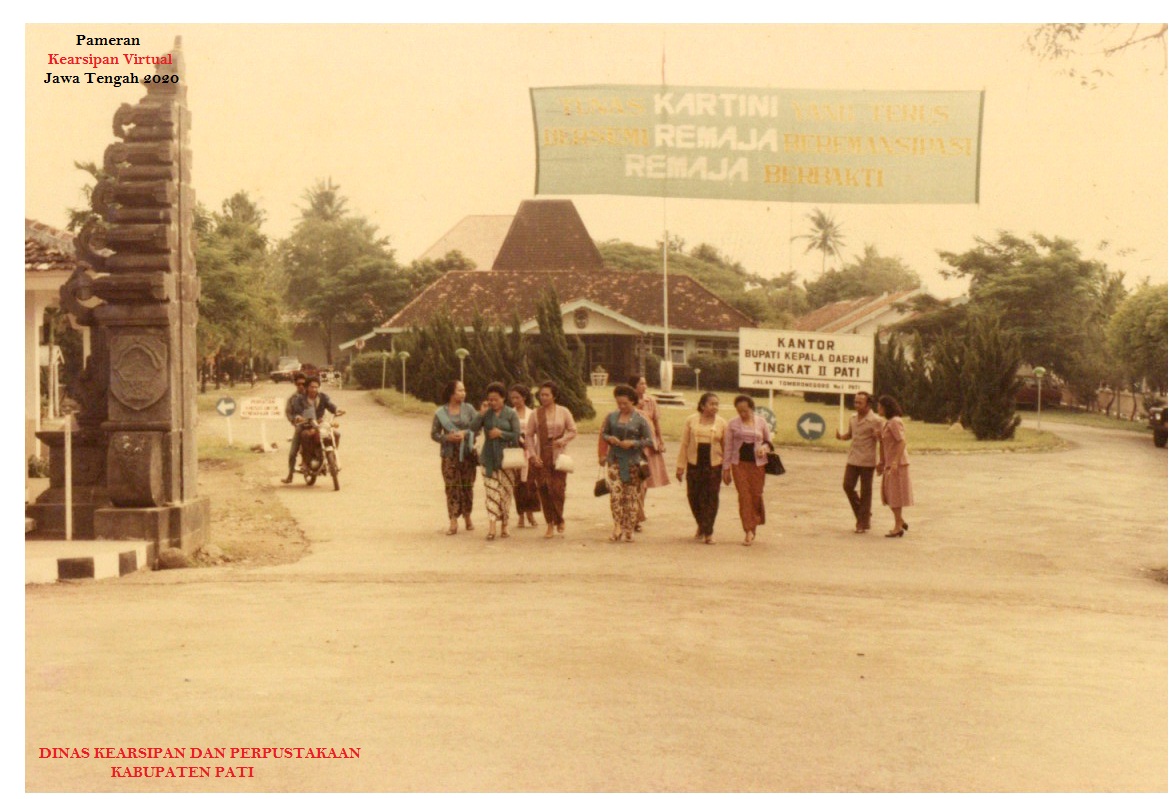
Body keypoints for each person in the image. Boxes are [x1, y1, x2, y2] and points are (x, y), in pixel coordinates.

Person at [598, 384, 655, 542]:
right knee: (616, 495)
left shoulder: (641, 420)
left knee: (630, 496)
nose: (622, 406)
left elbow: (650, 440)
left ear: (633, 402)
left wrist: (633, 443)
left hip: (632, 462)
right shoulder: (611, 417)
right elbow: (604, 433)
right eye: (619, 403)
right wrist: (610, 439)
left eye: (625, 403)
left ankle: (629, 527)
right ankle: (617, 526)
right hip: (615, 460)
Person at [525, 381, 578, 539]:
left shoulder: (563, 411)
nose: (544, 397)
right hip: (541, 454)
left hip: (558, 455)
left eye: (547, 394)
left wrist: (563, 440)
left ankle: (559, 519)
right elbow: (528, 435)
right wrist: (533, 455)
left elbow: (573, 430)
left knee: (558, 489)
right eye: (541, 395)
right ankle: (550, 524)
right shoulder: (535, 413)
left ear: (554, 395)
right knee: (544, 489)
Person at [471, 382, 521, 541]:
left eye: (495, 399)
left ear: (503, 398)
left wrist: (501, 433)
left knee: (505, 493)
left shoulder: (511, 414)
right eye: (489, 400)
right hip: (488, 459)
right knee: (491, 493)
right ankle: (492, 527)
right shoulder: (486, 414)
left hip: (506, 459)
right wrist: (481, 414)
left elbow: (516, 434)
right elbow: (473, 428)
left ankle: (504, 525)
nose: (492, 402)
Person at [675, 392, 727, 545]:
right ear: (703, 405)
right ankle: (701, 524)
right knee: (694, 496)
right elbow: (684, 444)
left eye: (717, 404)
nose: (714, 407)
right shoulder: (691, 420)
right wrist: (680, 467)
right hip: (694, 463)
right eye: (711, 404)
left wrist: (727, 468)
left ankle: (708, 532)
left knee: (711, 497)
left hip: (714, 464)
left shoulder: (722, 423)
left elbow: (726, 447)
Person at [722, 395, 772, 546]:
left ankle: (754, 522)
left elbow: (768, 442)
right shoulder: (732, 424)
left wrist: (764, 448)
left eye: (745, 411)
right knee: (744, 496)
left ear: (751, 408)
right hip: (739, 465)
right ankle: (748, 530)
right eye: (739, 411)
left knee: (756, 494)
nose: (742, 414)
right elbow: (728, 447)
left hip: (758, 465)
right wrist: (726, 469)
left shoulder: (762, 422)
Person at [431, 380, 478, 535]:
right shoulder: (440, 413)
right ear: (451, 393)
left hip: (467, 454)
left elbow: (477, 427)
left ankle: (468, 516)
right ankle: (453, 520)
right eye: (459, 390)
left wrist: (466, 434)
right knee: (451, 487)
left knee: (467, 485)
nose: (463, 393)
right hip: (449, 454)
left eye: (464, 390)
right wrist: (447, 438)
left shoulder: (469, 409)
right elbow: (434, 434)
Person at [835, 391, 884, 534]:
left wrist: (881, 461)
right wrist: (841, 437)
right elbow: (851, 434)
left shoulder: (876, 420)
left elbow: (882, 441)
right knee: (847, 486)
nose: (856, 405)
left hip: (867, 461)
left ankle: (862, 523)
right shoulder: (852, 418)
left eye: (859, 403)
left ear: (868, 404)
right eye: (855, 402)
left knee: (866, 492)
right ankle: (864, 514)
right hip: (853, 459)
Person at [630, 374, 669, 530]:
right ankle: (633, 514)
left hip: (649, 445)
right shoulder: (628, 401)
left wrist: (660, 440)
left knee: (644, 482)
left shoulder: (650, 401)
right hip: (633, 445)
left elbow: (656, 422)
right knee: (634, 482)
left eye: (645, 384)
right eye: (641, 384)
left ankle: (637, 515)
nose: (644, 386)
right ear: (633, 386)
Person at [876, 394, 913, 538]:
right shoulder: (888, 423)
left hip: (897, 464)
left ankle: (898, 527)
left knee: (894, 495)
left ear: (886, 407)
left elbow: (902, 442)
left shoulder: (895, 422)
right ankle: (900, 521)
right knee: (889, 495)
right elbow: (886, 444)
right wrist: (882, 462)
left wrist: (895, 462)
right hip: (890, 464)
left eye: (880, 406)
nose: (878, 408)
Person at [508, 384, 541, 529]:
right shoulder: (509, 413)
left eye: (517, 397)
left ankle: (531, 514)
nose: (515, 400)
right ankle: (520, 515)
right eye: (512, 398)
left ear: (524, 397)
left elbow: (536, 433)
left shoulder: (532, 413)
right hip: (516, 450)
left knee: (530, 483)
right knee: (518, 484)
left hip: (530, 451)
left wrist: (532, 447)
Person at [280, 373, 307, 484]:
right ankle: (290, 475)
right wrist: (294, 421)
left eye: (303, 384)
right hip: (300, 427)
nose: (301, 386)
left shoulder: (312, 395)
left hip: (314, 425)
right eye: (299, 384)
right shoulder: (292, 398)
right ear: (295, 384)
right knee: (292, 453)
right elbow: (288, 412)